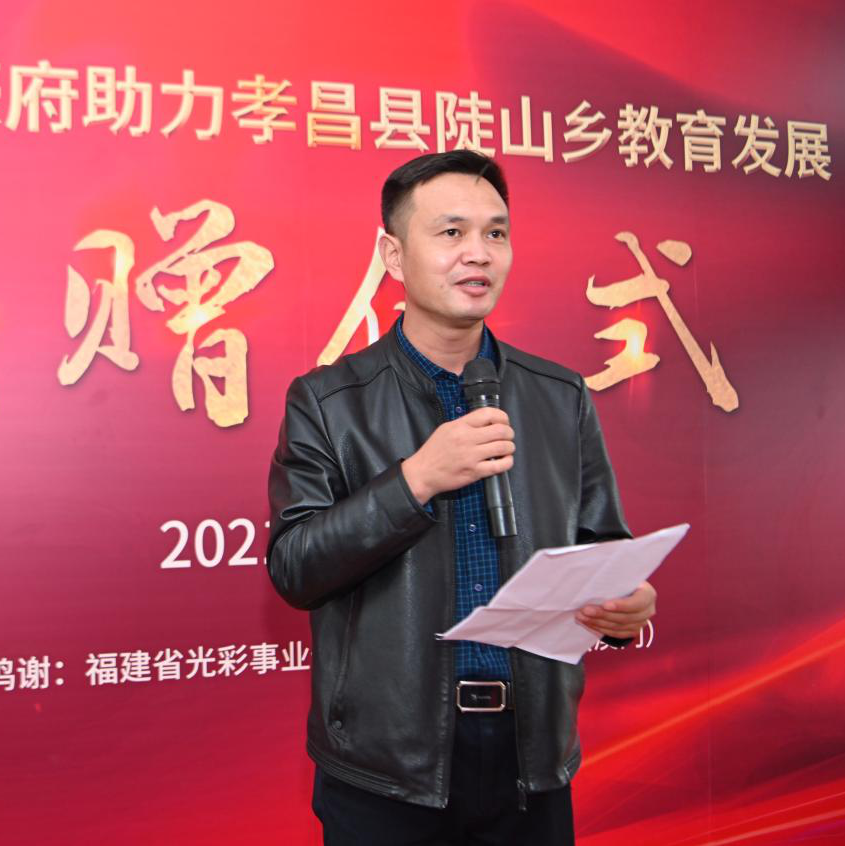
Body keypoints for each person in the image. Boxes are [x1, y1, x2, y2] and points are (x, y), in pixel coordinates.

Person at [266, 150, 657, 846]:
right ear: (393, 254)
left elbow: (601, 546)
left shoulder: (559, 396)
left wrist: (624, 605)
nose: (478, 253)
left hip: (530, 757)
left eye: (495, 233)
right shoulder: (327, 401)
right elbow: (296, 567)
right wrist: (415, 480)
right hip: (388, 768)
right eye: (451, 232)